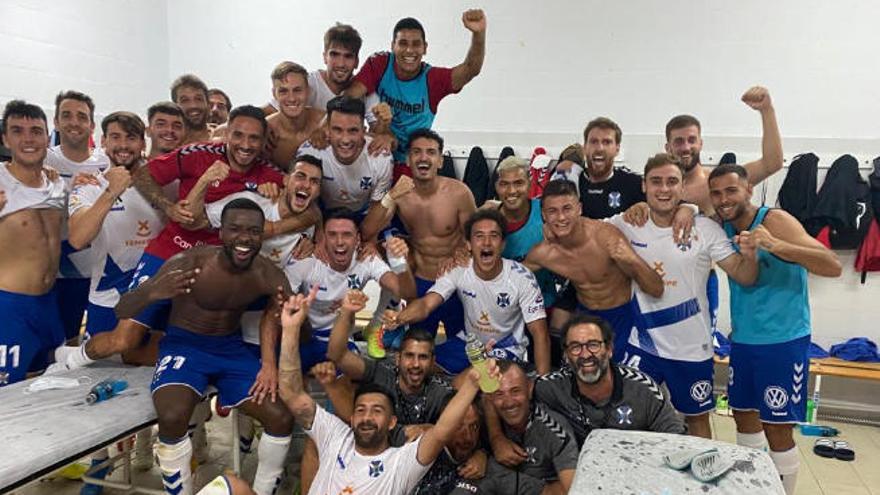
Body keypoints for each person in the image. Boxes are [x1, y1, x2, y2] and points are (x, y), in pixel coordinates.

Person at [59, 106, 284, 369]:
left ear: (263, 141)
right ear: (227, 134)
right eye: (238, 135)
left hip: (211, 265)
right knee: (124, 340)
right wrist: (168, 206)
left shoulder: (270, 174)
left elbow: (304, 201)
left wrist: (283, 202)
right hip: (168, 254)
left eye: (254, 138)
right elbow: (145, 176)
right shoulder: (198, 154)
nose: (245, 144)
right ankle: (69, 358)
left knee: (193, 341)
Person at [114, 198, 295, 495]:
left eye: (253, 231)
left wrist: (290, 324)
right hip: (185, 347)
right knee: (172, 417)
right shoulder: (188, 262)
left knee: (281, 417)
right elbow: (122, 310)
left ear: (262, 235)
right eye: (235, 229)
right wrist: (151, 291)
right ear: (221, 232)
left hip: (230, 349)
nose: (244, 238)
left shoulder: (267, 273)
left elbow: (290, 324)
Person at [276, 286, 491, 495]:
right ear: (398, 358)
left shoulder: (436, 398)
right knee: (315, 441)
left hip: (413, 463)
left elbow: (451, 427)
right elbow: (333, 358)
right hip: (384, 447)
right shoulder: (378, 377)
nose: (415, 364)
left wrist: (482, 452)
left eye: (423, 357)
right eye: (409, 356)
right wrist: (293, 329)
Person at [709, 164, 841, 494]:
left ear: (748, 190)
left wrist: (775, 245)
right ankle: (750, 488)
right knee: (743, 417)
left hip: (783, 341)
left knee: (778, 427)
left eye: (731, 190)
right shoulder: (719, 226)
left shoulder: (775, 221)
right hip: (743, 340)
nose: (724, 199)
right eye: (717, 193)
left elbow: (832, 266)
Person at [607, 153, 759, 439]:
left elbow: (745, 276)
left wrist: (749, 257)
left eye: (671, 182)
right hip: (643, 347)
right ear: (644, 186)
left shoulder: (706, 229)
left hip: (691, 350)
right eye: (656, 182)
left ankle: (698, 480)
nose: (664, 189)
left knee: (697, 421)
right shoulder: (627, 223)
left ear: (682, 188)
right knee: (627, 417)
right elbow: (586, 232)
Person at [385, 209, 551, 375]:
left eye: (494, 236)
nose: (486, 242)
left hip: (506, 348)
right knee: (422, 366)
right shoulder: (458, 269)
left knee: (482, 377)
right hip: (469, 343)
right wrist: (400, 318)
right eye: (479, 236)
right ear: (469, 244)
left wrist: (543, 384)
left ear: (502, 244)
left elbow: (540, 334)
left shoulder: (522, 277)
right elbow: (426, 304)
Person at [524, 180, 663, 362]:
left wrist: (632, 260)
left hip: (622, 316)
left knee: (620, 380)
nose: (561, 218)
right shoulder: (543, 253)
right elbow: (508, 277)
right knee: (586, 379)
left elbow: (656, 289)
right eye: (553, 211)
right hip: (585, 317)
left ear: (579, 208)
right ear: (544, 215)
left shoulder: (605, 237)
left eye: (567, 209)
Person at [345, 10, 486, 175]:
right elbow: (350, 97)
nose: (409, 50)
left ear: (425, 48)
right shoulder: (380, 63)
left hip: (412, 165)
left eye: (416, 44)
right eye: (403, 43)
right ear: (393, 46)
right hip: (377, 154)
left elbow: (471, 69)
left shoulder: (432, 79)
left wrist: (479, 34)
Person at [370, 128, 476, 343]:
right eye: (417, 152)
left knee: (464, 347)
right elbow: (369, 229)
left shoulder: (459, 193)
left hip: (454, 282)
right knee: (419, 345)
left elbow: (475, 236)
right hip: (420, 282)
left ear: (440, 161)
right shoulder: (400, 194)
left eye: (431, 152)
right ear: (408, 159)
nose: (423, 158)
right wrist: (390, 197)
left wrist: (461, 252)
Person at [522, 315, 684, 453]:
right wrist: (499, 439)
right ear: (566, 355)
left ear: (609, 349)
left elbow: (678, 441)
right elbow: (512, 398)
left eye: (593, 345)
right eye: (575, 347)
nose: (585, 355)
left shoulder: (643, 389)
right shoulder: (549, 387)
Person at [285, 208, 416, 371]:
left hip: (340, 338)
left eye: (347, 234)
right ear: (323, 238)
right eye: (332, 234)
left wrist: (400, 263)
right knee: (287, 379)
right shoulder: (305, 261)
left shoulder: (367, 258)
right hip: (303, 336)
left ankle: (374, 328)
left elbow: (405, 293)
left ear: (357, 239)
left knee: (354, 378)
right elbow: (282, 303)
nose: (339, 242)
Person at [0, 100, 66, 386]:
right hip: (9, 306)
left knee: (42, 386)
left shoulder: (55, 183)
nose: (28, 139)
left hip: (49, 304)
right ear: (5, 138)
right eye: (18, 130)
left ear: (47, 136)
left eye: (36, 131)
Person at [45, 90, 110, 343]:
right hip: (59, 273)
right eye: (67, 115)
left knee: (94, 345)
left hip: (99, 271)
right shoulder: (44, 159)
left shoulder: (106, 162)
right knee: (59, 344)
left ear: (92, 125)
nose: (74, 122)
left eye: (82, 117)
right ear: (56, 122)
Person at [665, 86, 782, 214]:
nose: (686, 147)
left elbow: (772, 164)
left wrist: (766, 111)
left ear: (701, 144)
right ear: (668, 148)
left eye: (692, 140)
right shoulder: (658, 188)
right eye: (679, 141)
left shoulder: (721, 182)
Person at [298, 96, 393, 239]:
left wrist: (369, 241)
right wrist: (317, 231)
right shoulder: (311, 151)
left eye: (353, 131)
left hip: (363, 214)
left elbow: (376, 208)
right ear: (327, 130)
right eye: (337, 130)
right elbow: (300, 199)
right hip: (321, 212)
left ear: (364, 130)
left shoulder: (381, 157)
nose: (345, 139)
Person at [483, 361, 579, 494]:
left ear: (529, 389)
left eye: (515, 391)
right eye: (499, 394)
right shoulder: (482, 423)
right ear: (489, 397)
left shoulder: (556, 430)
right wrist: (482, 452)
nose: (509, 402)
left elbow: (573, 489)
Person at [576, 117, 645, 219]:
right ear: (585, 147)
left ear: (617, 149)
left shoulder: (634, 183)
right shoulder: (572, 181)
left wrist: (646, 206)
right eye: (594, 141)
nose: (600, 148)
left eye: (607, 142)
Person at [263, 62, 325, 170]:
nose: (291, 98)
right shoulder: (265, 130)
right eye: (283, 91)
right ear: (274, 94)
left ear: (308, 91)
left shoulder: (325, 122)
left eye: (297, 90)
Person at [171, 74, 212, 144]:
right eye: (185, 100)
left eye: (198, 99)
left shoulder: (224, 139)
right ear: (175, 107)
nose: (193, 105)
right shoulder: (169, 145)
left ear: (208, 104)